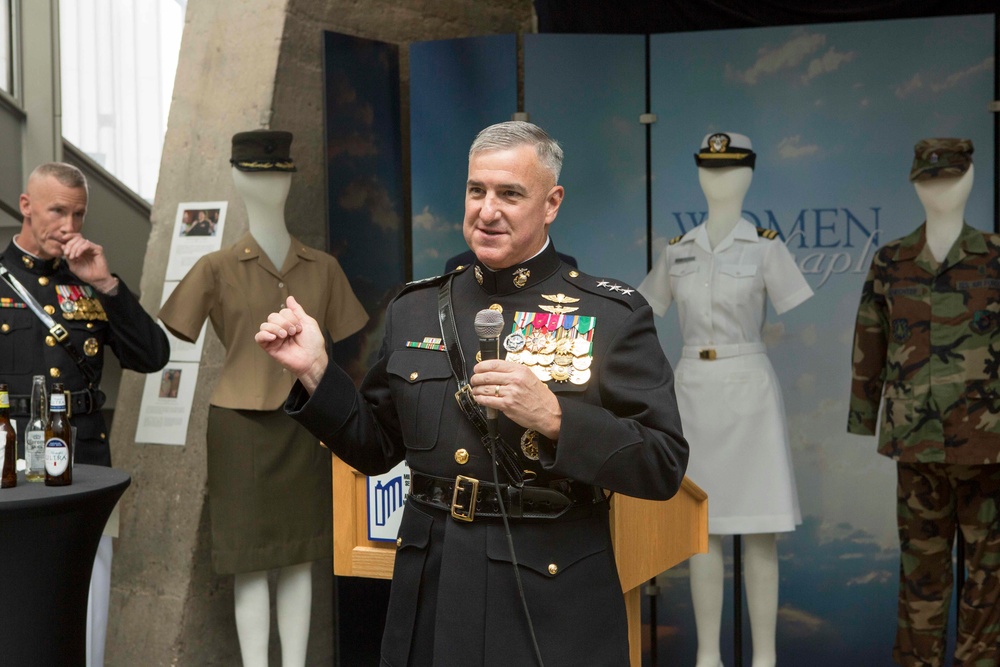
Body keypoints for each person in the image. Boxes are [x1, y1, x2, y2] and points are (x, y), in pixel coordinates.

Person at [255, 120, 688, 666]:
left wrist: (556, 418)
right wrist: (317, 372)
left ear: (552, 203)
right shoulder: (414, 307)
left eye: (510, 194)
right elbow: (376, 448)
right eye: (476, 190)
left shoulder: (611, 314)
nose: (487, 210)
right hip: (433, 585)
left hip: (547, 593)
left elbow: (663, 463)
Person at [158, 130, 369, 667]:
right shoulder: (215, 267)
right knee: (249, 560)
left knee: (303, 557)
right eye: (255, 173)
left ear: (291, 177)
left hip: (310, 425)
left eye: (276, 173)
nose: (267, 185)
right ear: (235, 177)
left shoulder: (324, 268)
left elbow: (352, 346)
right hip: (239, 426)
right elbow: (173, 329)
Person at [639, 132, 813, 667]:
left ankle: (765, 657)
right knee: (702, 529)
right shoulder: (677, 252)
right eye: (711, 170)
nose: (721, 180)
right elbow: (645, 311)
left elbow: (792, 308)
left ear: (749, 175)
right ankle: (708, 655)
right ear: (698, 174)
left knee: (761, 530)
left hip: (750, 391)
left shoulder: (764, 246)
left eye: (732, 169)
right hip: (693, 390)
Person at [0, 162, 170, 666]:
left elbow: (152, 355)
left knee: (89, 585)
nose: (69, 226)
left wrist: (109, 285)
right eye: (58, 211)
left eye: (78, 214)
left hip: (82, 457)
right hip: (8, 461)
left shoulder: (92, 282)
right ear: (26, 205)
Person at [849, 138, 1000, 666]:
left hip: (989, 443)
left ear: (971, 177)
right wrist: (865, 416)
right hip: (916, 442)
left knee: (991, 577)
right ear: (915, 184)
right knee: (920, 576)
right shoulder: (892, 259)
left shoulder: (997, 256)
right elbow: (871, 338)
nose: (940, 190)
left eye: (951, 177)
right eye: (930, 180)